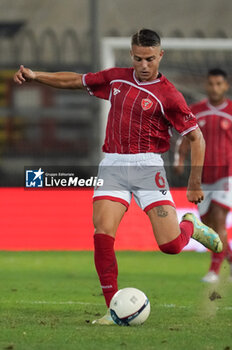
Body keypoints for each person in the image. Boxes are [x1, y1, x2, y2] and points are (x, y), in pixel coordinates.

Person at [14, 29, 222, 325]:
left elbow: (196, 138)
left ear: (160, 55)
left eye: (150, 59)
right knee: (102, 234)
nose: (144, 65)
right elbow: (76, 80)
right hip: (112, 164)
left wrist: (194, 183)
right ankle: (112, 309)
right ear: (131, 55)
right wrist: (36, 76)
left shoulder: (170, 95)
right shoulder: (116, 77)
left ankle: (190, 225)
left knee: (171, 246)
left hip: (148, 167)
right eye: (138, 58)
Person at [174, 68, 232, 283]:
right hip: (203, 177)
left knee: (218, 220)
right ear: (206, 86)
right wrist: (179, 160)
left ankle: (214, 271)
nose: (214, 88)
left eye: (219, 84)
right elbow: (184, 138)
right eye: (211, 84)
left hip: (227, 174)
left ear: (225, 86)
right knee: (207, 225)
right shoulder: (196, 111)